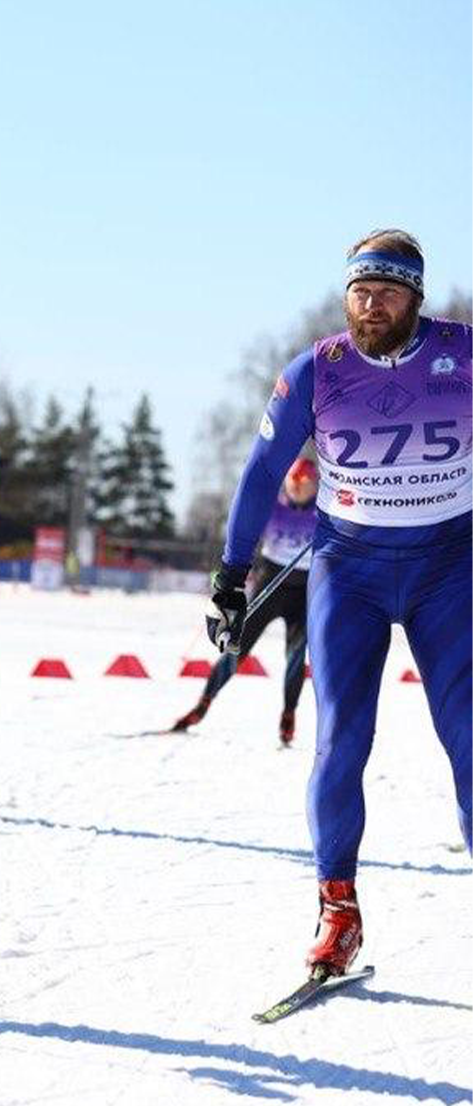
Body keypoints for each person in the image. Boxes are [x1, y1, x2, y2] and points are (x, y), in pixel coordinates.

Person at [208, 229, 470, 975]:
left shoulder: (463, 356)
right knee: (340, 742)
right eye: (360, 289)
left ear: (417, 297)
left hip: (448, 569)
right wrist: (231, 577)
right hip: (347, 571)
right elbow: (261, 473)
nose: (371, 302)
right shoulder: (316, 371)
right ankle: (338, 912)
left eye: (388, 290)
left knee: (470, 741)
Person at [174, 457, 318, 745]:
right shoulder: (273, 508)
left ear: (314, 486)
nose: (298, 489)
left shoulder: (322, 512)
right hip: (270, 586)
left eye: (304, 485)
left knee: (295, 656)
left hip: (303, 592)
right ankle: (204, 702)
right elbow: (244, 533)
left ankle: (289, 714)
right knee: (236, 647)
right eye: (293, 483)